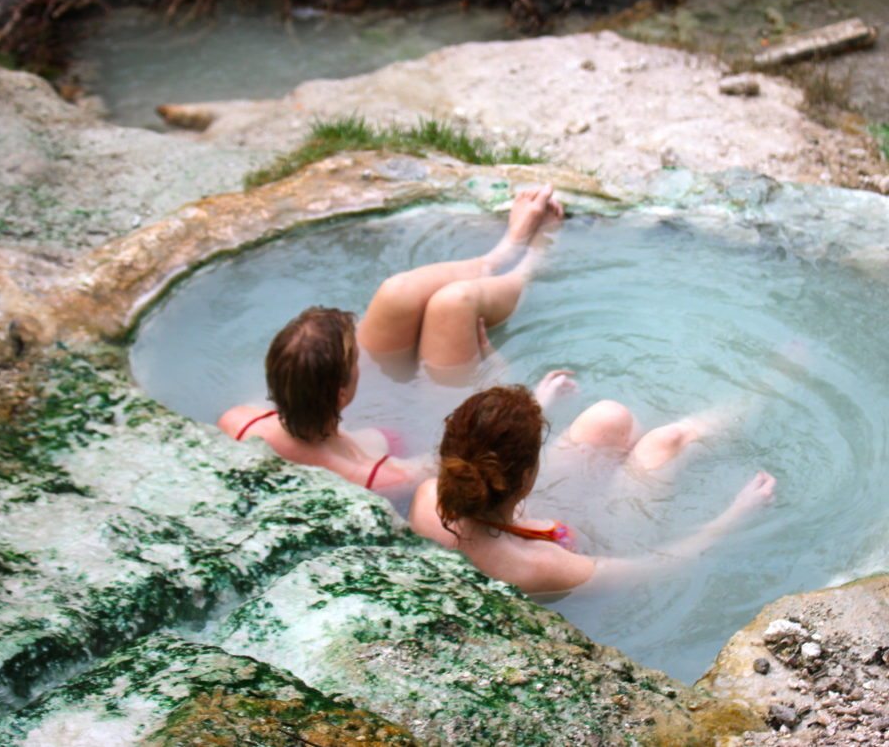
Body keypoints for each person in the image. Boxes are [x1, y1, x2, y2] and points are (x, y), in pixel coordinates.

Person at [217, 185, 562, 489]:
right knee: (455, 303)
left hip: (331, 412)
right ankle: (534, 260)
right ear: (341, 394)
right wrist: (526, 402)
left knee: (397, 292)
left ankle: (502, 253)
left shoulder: (239, 421)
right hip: (422, 411)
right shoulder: (383, 477)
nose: (360, 354)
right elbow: (467, 461)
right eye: (354, 359)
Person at [407, 384, 777, 595]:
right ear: (525, 479)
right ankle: (761, 398)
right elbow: (660, 567)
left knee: (607, 417)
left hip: (526, 520)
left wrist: (533, 405)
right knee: (666, 442)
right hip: (607, 539)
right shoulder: (539, 565)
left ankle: (751, 402)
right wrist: (735, 515)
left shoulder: (428, 498)